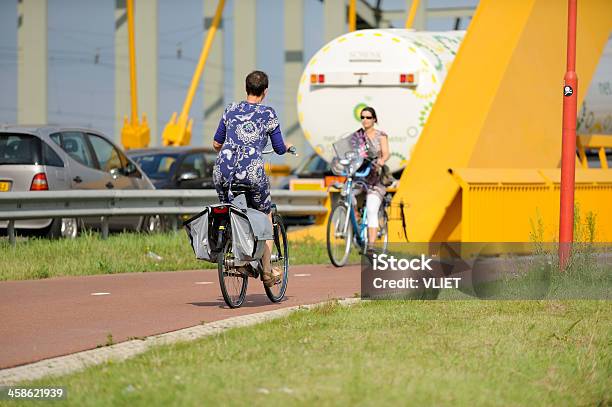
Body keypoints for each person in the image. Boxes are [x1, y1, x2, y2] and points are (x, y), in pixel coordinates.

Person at [212, 70, 292, 287]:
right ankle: (266, 271)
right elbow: (278, 148)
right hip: (251, 172)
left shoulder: (230, 109)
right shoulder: (268, 114)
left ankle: (236, 250)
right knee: (265, 213)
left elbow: (216, 144)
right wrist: (286, 148)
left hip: (223, 170)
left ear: (246, 88)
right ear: (265, 92)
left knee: (231, 208)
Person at [349, 106, 390, 251]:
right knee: (347, 194)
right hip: (359, 176)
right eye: (362, 117)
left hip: (374, 178)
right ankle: (355, 221)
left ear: (374, 119)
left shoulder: (381, 135)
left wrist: (381, 161)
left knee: (372, 210)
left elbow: (386, 153)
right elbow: (350, 152)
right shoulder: (357, 136)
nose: (365, 120)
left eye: (368, 117)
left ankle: (371, 246)